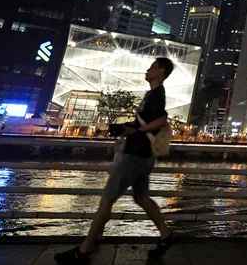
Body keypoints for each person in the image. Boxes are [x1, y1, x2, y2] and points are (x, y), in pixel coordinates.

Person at [56, 58, 176, 263]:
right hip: (143, 155)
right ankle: (166, 235)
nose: (148, 69)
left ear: (161, 71)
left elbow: (161, 120)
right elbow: (148, 122)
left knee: (107, 201)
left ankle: (84, 251)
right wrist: (124, 127)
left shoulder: (157, 94)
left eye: (153, 66)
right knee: (141, 198)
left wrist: (136, 130)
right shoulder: (153, 94)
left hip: (136, 155)